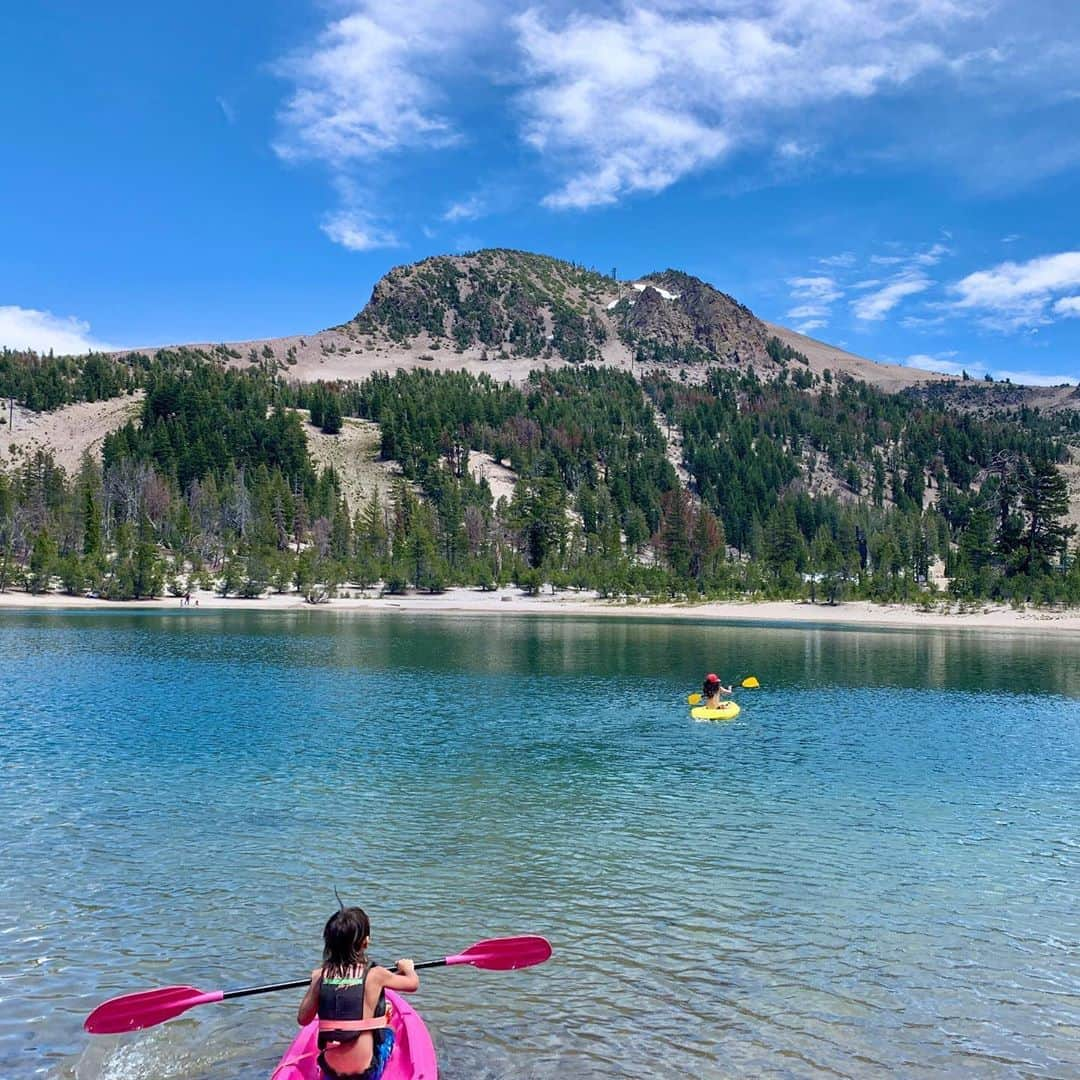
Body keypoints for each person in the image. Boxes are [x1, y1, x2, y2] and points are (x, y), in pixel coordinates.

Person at [296, 906, 419, 1080]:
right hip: (365, 1074)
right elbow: (413, 984)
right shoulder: (376, 975)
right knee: (390, 1031)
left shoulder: (320, 976)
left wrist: (315, 982)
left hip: (332, 1073)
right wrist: (408, 968)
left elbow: (303, 1019)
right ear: (365, 942)